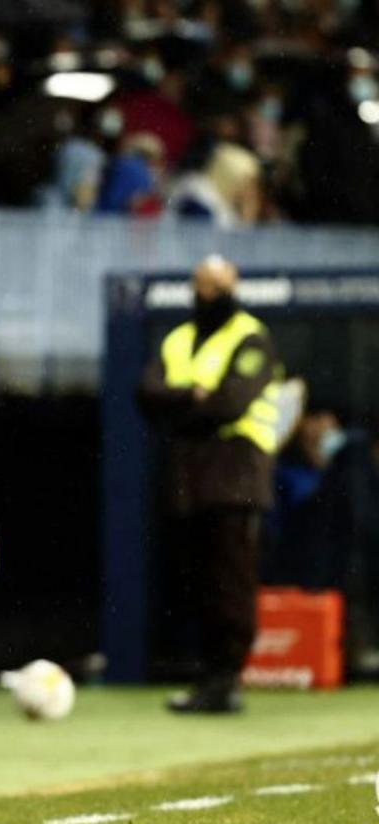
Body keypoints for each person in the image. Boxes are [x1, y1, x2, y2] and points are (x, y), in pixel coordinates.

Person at [137, 255, 285, 714]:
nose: (208, 294)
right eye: (202, 285)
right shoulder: (179, 338)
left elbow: (230, 403)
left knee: (231, 577)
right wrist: (194, 396)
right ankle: (207, 676)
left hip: (237, 470)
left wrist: (182, 407)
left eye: (218, 286)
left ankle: (227, 678)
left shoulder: (251, 338)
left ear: (233, 287)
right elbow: (146, 392)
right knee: (198, 577)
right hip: (190, 473)